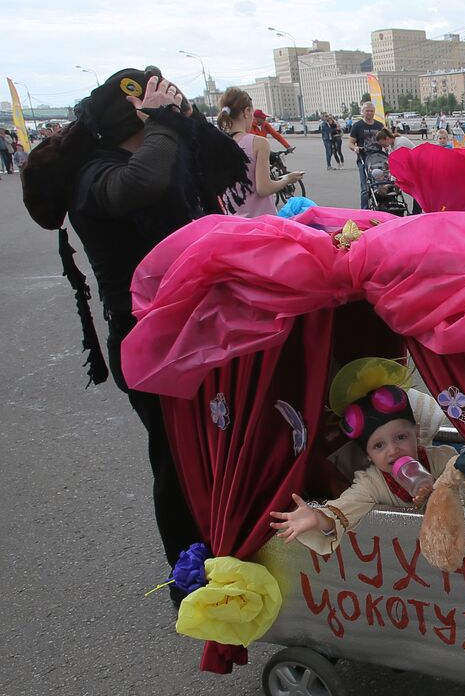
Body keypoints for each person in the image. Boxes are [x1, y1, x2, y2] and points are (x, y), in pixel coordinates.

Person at [20, 68, 247, 582]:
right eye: (155, 114)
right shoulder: (95, 175)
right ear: (136, 119)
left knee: (223, 442)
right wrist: (166, 126)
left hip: (202, 326)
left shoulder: (163, 149)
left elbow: (229, 166)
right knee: (175, 458)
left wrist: (189, 120)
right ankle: (188, 574)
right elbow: (145, 185)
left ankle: (234, 548)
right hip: (147, 339)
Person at [270, 369, 465, 554]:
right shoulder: (372, 483)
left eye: (401, 437)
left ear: (416, 434)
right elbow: (342, 512)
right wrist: (318, 519)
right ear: (368, 456)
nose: (393, 450)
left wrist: (439, 489)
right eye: (379, 446)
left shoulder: (442, 459)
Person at [218, 87, 304, 217]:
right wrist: (288, 178)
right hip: (261, 224)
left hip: (233, 224)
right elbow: (263, 188)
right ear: (246, 112)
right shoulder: (258, 143)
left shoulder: (219, 145)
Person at [347, 102, 387, 208]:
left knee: (382, 184)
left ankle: (383, 205)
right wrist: (355, 148)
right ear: (362, 112)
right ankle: (364, 210)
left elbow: (386, 139)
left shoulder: (379, 125)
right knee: (365, 187)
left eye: (371, 111)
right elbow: (350, 143)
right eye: (367, 111)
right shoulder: (357, 126)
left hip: (379, 159)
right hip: (364, 159)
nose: (369, 113)